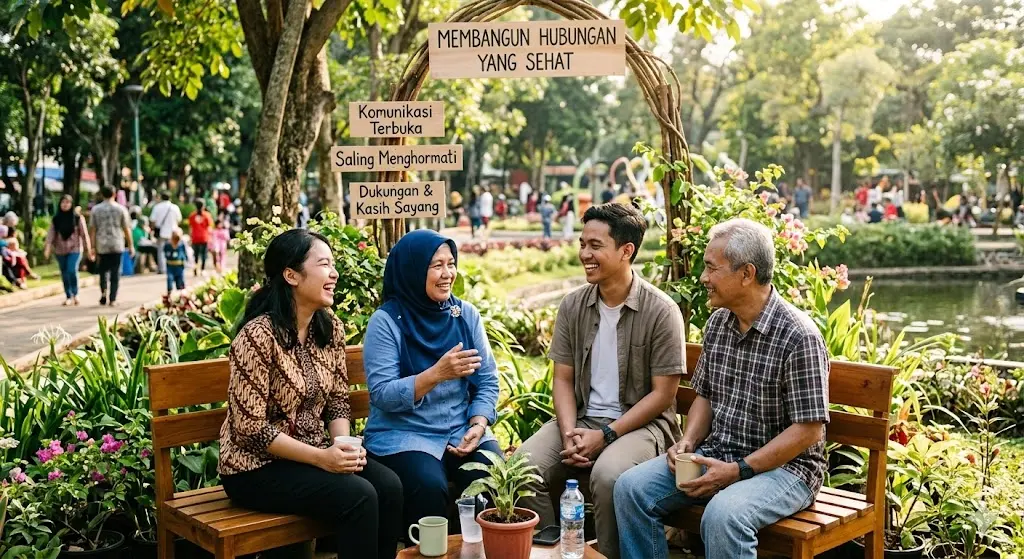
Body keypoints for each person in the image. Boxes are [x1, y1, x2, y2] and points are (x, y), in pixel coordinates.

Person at [614, 218, 829, 559]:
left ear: (746, 273)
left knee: (723, 515)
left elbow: (808, 431)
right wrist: (687, 441)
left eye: (712, 269)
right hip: (719, 454)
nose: (703, 278)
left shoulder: (799, 337)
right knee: (630, 489)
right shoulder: (718, 324)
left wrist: (737, 471)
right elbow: (705, 396)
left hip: (788, 470)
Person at [218, 229, 403, 559]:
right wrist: (322, 459)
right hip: (255, 468)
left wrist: (341, 448)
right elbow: (249, 430)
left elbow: (337, 399)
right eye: (324, 264)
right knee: (359, 496)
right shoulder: (257, 336)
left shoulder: (328, 325)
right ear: (291, 275)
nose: (334, 274)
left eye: (333, 264)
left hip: (316, 454)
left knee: (388, 486)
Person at [515, 203, 685, 559]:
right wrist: (568, 434)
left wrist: (606, 435)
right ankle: (555, 552)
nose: (584, 254)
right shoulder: (573, 305)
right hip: (582, 421)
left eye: (595, 246)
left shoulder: (661, 311)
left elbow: (663, 395)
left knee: (609, 476)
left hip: (643, 426)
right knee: (522, 467)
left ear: (627, 251)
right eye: (582, 244)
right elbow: (561, 379)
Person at [363, 229, 500, 536]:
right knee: (427, 486)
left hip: (460, 428)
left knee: (490, 475)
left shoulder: (465, 315)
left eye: (451, 263)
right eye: (436, 265)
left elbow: (488, 380)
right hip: (404, 433)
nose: (447, 274)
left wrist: (478, 425)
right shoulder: (386, 322)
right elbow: (382, 394)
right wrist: (436, 374)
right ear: (413, 269)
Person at [44, 194, 93, 306]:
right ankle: (68, 295)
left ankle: (75, 294)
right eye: (63, 202)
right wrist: (47, 247)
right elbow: (51, 234)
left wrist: (88, 250)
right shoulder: (56, 219)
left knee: (72, 270)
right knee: (64, 273)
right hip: (60, 250)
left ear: (71, 204)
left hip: (74, 249)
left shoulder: (77, 218)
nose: (65, 205)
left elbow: (84, 235)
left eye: (67, 203)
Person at [89, 186, 134, 306]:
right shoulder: (121, 209)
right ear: (114, 194)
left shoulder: (95, 210)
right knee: (115, 272)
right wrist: (130, 245)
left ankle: (103, 293)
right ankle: (113, 298)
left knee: (103, 271)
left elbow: (93, 230)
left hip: (101, 244)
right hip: (116, 243)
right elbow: (126, 229)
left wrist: (92, 247)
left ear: (102, 195)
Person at [149, 190, 182, 273]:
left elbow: (152, 220)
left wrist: (153, 229)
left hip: (161, 232)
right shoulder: (175, 207)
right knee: (173, 249)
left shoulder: (157, 207)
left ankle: (162, 269)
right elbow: (179, 220)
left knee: (161, 251)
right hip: (173, 232)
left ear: (161, 198)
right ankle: (174, 266)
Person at [187, 199, 213, 276]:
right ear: (203, 206)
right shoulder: (207, 215)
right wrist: (210, 237)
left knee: (196, 254)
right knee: (204, 254)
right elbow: (209, 227)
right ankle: (202, 269)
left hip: (195, 237)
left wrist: (190, 237)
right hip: (204, 237)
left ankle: (195, 268)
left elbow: (190, 228)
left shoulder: (192, 215)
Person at [164, 228, 189, 295]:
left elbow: (185, 254)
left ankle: (181, 295)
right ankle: (169, 294)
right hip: (170, 266)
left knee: (180, 281)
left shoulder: (181, 244)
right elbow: (165, 254)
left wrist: (186, 260)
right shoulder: (167, 245)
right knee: (170, 280)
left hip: (179, 266)